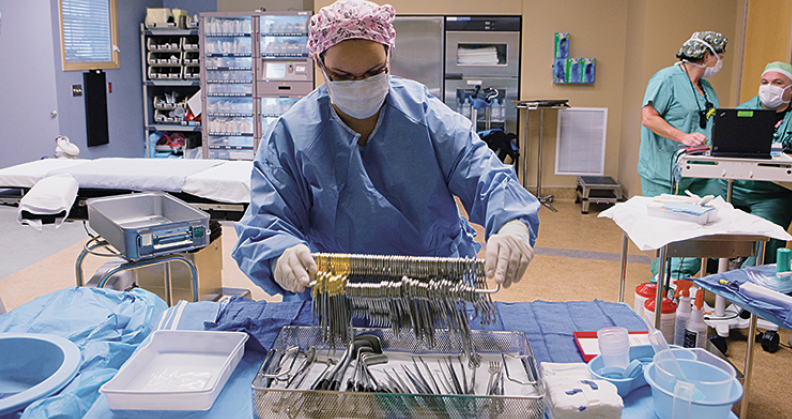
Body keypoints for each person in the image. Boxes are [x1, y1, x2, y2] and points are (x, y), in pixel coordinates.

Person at [232, 0, 539, 301]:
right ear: (319, 64)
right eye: (342, 77)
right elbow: (266, 221)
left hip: (431, 289)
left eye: (373, 72)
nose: (360, 85)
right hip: (336, 296)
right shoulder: (291, 135)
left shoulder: (426, 117)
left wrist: (512, 224)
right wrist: (280, 254)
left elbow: (487, 176)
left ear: (389, 55)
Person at [639, 31, 728, 279]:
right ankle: (664, 283)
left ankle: (683, 277)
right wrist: (683, 137)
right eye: (719, 57)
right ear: (707, 56)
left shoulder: (706, 88)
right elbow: (649, 118)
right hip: (664, 169)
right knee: (669, 231)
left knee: (707, 222)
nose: (720, 62)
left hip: (701, 171)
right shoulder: (666, 78)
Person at [728, 61, 792, 265]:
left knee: (769, 232)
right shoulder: (742, 112)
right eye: (765, 82)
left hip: (774, 192)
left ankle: (751, 279)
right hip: (734, 187)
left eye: (778, 82)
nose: (769, 87)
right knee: (704, 219)